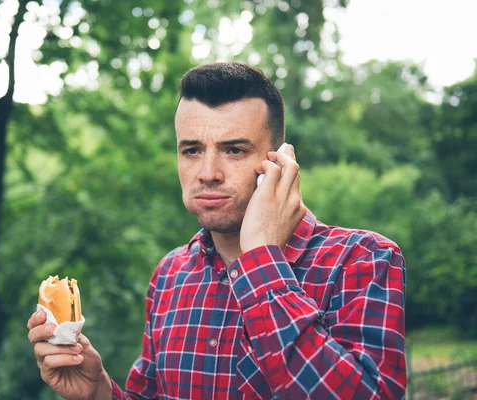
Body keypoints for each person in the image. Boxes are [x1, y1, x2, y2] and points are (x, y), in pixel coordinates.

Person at [27, 61, 407, 399]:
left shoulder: (362, 259)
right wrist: (98, 393)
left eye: (234, 150)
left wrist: (261, 259)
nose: (208, 172)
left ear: (280, 162)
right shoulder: (170, 273)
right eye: (191, 150)